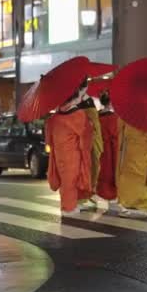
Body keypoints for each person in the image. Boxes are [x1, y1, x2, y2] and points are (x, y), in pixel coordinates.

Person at [45, 85, 94, 215]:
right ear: (75, 97)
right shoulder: (78, 114)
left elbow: (49, 138)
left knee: (64, 179)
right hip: (73, 153)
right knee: (71, 179)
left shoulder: (55, 117)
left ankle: (67, 204)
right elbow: (86, 136)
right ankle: (69, 207)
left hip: (59, 153)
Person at [114, 118, 147, 218]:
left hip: (136, 152)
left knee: (138, 179)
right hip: (142, 152)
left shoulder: (129, 116)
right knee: (145, 178)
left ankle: (132, 205)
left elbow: (121, 132)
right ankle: (132, 205)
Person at [93, 91, 119, 204]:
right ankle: (111, 194)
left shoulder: (96, 116)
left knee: (100, 170)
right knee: (110, 170)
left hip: (98, 146)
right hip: (110, 148)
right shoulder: (114, 118)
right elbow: (116, 134)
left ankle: (100, 192)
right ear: (111, 102)